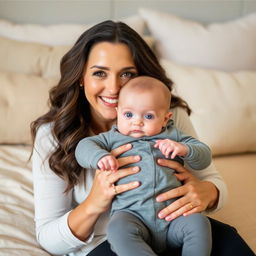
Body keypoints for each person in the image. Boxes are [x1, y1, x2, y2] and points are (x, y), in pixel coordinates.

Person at [31, 20, 255, 256]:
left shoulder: (168, 118)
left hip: (174, 225)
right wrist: (94, 203)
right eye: (99, 73)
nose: (114, 88)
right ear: (80, 77)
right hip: (109, 242)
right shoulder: (54, 134)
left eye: (127, 74)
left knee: (226, 241)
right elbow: (48, 238)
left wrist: (207, 192)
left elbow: (211, 177)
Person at [75, 76, 212, 256]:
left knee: (199, 224)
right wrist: (99, 156)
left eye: (148, 116)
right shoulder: (112, 138)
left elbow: (205, 156)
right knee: (116, 229)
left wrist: (185, 149)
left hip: (175, 217)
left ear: (165, 118)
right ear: (117, 112)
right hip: (132, 217)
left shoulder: (173, 136)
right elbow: (82, 147)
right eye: (128, 114)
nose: (137, 122)